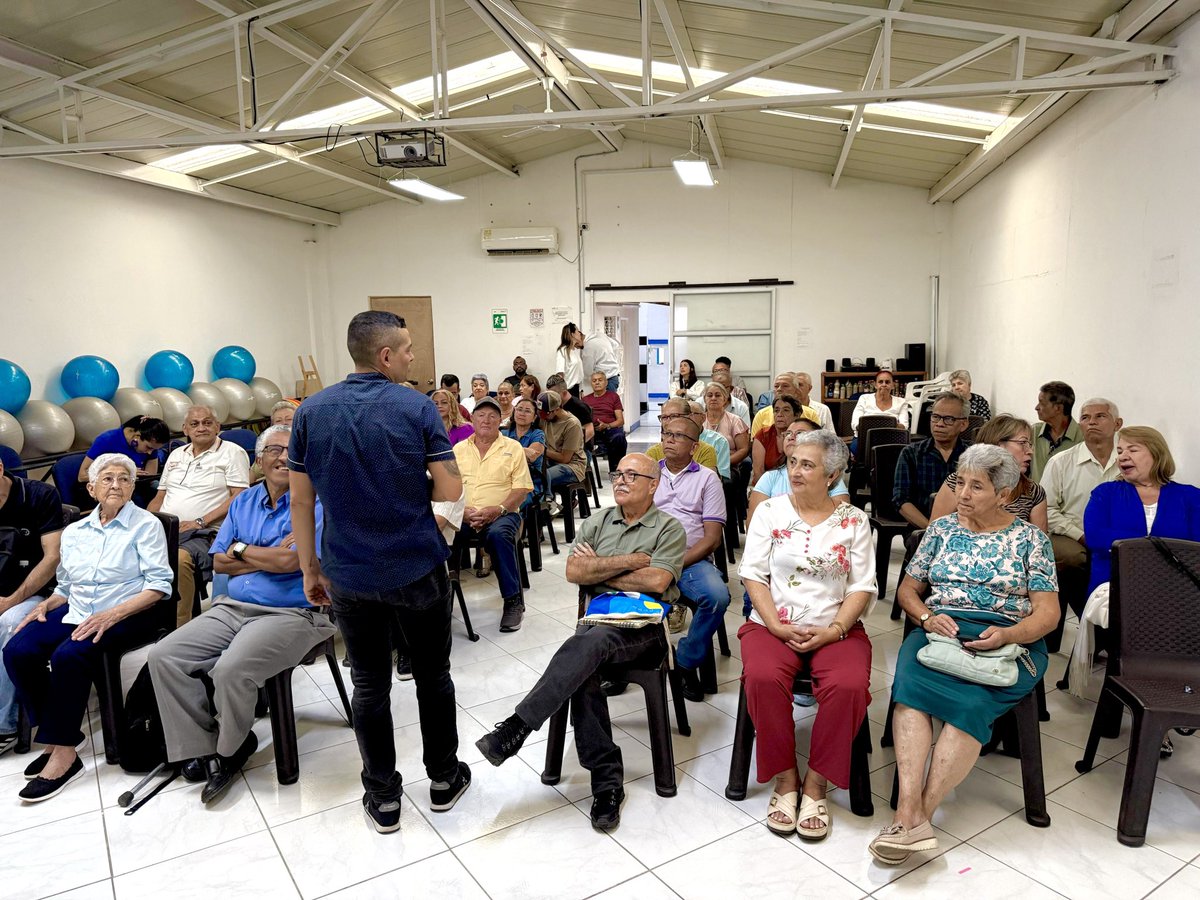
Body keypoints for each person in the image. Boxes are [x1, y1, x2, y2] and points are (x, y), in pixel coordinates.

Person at [288, 310, 471, 833]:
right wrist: (417, 499)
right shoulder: (415, 406)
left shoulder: (310, 412)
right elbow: (451, 488)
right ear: (386, 355)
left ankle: (384, 796)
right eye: (408, 349)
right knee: (433, 676)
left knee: (369, 685)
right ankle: (442, 779)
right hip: (415, 563)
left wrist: (310, 569)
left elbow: (301, 502)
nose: (413, 357)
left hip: (348, 570)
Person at [473, 453, 686, 831]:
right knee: (585, 660)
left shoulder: (669, 528)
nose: (619, 480)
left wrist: (601, 569)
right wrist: (634, 560)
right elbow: (574, 571)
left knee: (585, 647)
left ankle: (518, 727)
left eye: (631, 475)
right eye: (618, 473)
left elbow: (656, 583)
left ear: (654, 484)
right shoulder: (598, 520)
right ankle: (607, 785)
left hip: (645, 631)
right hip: (596, 625)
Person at [871, 444, 1059, 865]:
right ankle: (908, 813)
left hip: (1008, 639)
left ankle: (921, 813)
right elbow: (907, 590)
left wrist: (1008, 632)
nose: (963, 494)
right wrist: (924, 617)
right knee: (910, 690)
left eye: (977, 486)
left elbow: (1048, 614)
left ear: (1005, 495)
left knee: (971, 704)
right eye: (960, 483)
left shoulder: (1031, 540)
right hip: (941, 629)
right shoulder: (941, 530)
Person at [147, 425, 335, 804]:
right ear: (259, 460)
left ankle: (230, 749)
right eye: (274, 450)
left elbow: (291, 563)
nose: (282, 457)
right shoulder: (243, 502)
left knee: (231, 669)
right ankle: (201, 743)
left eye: (290, 451)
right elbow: (219, 561)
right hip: (233, 608)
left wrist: (242, 550)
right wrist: (258, 554)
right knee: (164, 656)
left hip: (293, 613)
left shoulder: (314, 503)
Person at [4, 454, 172, 802]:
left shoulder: (146, 525)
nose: (116, 484)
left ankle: (64, 754)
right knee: (18, 648)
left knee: (70, 655)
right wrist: (44, 605)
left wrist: (112, 615)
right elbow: (65, 587)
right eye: (107, 479)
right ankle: (57, 733)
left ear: (131, 486)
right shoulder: (76, 531)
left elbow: (158, 586)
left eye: (124, 478)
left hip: (130, 611)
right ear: (91, 488)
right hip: (78, 610)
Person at [739, 429, 875, 838]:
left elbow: (862, 586)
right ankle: (785, 779)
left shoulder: (854, 520)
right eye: (793, 462)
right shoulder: (770, 512)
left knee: (849, 684)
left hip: (836, 625)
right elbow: (752, 575)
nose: (795, 471)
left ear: (832, 475)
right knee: (762, 678)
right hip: (773, 623)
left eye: (807, 465)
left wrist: (834, 630)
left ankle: (817, 782)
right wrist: (777, 626)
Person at [149, 405, 250, 628]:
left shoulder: (232, 452)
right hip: (168, 528)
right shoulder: (177, 455)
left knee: (178, 558)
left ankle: (181, 627)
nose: (201, 428)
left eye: (207, 422)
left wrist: (200, 521)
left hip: (208, 531)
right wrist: (145, 522)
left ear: (217, 426)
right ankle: (147, 622)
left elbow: (239, 496)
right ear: (185, 429)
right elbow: (160, 496)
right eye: (194, 424)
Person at [653, 416, 730, 700]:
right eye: (666, 434)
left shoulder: (708, 478)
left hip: (691, 559)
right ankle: (626, 664)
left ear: (694, 446)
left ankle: (684, 661)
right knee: (616, 592)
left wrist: (674, 564)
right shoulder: (649, 474)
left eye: (677, 436)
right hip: (648, 558)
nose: (669, 440)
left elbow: (711, 538)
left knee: (717, 597)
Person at [1039, 398, 1121, 651]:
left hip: (1117, 535)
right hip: (1071, 535)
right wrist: (1081, 534)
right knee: (1077, 559)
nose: (1092, 422)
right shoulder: (1061, 462)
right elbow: (1047, 509)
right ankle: (1097, 632)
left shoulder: (1128, 459)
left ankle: (1117, 629)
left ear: (1118, 424)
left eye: (1100, 416)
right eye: (1085, 417)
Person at [1084, 426, 1200, 596]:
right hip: (1115, 583)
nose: (1123, 456)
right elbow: (1095, 536)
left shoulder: (1190, 496)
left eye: (1132, 450)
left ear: (1156, 453)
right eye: (1120, 451)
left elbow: (1195, 545)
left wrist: (1134, 544)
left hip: (1177, 585)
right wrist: (1158, 546)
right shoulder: (1105, 493)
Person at [0, 457, 63, 756]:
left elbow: (52, 558)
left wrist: (11, 600)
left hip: (36, 592)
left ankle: (5, 726)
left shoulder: (39, 495)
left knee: (10, 622)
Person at [454, 397, 533, 632]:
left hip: (503, 513)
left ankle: (512, 601)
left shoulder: (512, 447)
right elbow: (448, 486)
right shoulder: (459, 449)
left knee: (498, 536)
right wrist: (461, 512)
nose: (486, 420)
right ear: (472, 419)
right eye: (480, 415)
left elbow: (522, 488)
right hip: (465, 514)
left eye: (492, 416)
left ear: (500, 420)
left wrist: (497, 509)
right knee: (439, 534)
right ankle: (441, 598)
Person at [930, 414, 1048, 532]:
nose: (1030, 451)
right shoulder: (956, 482)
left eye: (1030, 444)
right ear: (997, 445)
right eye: (1023, 443)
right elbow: (934, 534)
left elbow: (1039, 543)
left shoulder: (1033, 491)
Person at [892, 393, 969, 530]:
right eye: (935, 417)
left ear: (963, 424)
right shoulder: (911, 453)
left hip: (965, 527)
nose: (939, 424)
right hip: (922, 527)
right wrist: (932, 529)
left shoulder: (972, 456)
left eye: (948, 419)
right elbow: (901, 501)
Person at [77, 415, 169, 482]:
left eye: (154, 450)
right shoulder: (106, 440)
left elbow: (149, 478)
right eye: (148, 447)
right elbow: (82, 476)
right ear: (137, 436)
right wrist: (126, 474)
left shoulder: (151, 446)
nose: (150, 453)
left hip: (137, 489)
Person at [645, 398, 719, 474]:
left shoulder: (705, 451)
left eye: (674, 416)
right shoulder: (653, 453)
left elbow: (707, 482)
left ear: (689, 417)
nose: (668, 421)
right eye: (664, 417)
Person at [538, 391, 587, 497]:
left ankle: (548, 505)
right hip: (549, 461)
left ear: (556, 409)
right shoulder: (545, 418)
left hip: (572, 466)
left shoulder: (572, 424)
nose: (543, 418)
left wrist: (542, 450)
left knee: (542, 477)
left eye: (546, 414)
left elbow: (565, 458)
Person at [502, 397, 547, 505]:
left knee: (511, 504)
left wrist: (505, 451)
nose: (522, 413)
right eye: (519, 409)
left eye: (527, 411)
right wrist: (523, 450)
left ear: (534, 417)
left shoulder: (537, 434)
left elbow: (531, 456)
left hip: (529, 483)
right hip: (504, 480)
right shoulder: (504, 433)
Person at [1032, 380, 1080, 480]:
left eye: (1042, 403)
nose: (1036, 408)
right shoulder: (1032, 432)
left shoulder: (1083, 438)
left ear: (1058, 408)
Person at [701, 382, 750, 475]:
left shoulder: (735, 420)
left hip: (728, 466)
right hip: (701, 465)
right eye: (710, 395)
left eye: (718, 395)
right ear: (704, 399)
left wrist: (722, 464)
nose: (713, 398)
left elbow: (743, 449)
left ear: (725, 399)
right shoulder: (699, 420)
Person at [752, 396, 802, 486]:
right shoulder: (763, 435)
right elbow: (758, 472)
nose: (779, 414)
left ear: (797, 415)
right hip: (766, 486)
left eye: (786, 410)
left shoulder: (803, 436)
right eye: (776, 410)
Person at [583, 370, 627, 473]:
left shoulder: (613, 397)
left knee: (619, 437)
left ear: (606, 383)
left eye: (600, 380)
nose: (597, 383)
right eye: (594, 381)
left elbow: (620, 421)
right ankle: (583, 472)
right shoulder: (585, 400)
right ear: (591, 383)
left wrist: (607, 425)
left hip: (609, 429)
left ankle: (616, 471)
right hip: (591, 431)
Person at [851, 370, 910, 435]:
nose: (884, 384)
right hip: (865, 436)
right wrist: (868, 426)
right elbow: (855, 424)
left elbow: (905, 426)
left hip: (892, 437)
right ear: (875, 385)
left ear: (893, 385)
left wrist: (886, 425)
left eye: (887, 382)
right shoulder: (864, 398)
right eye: (880, 382)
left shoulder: (901, 402)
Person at [547, 372, 594, 446]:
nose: (551, 397)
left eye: (554, 394)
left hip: (580, 448)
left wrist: (572, 447)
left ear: (564, 393)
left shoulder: (580, 407)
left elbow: (590, 431)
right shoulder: (554, 405)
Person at [689, 400, 731, 480]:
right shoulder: (672, 441)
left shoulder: (719, 441)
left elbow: (721, 477)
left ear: (703, 418)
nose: (685, 418)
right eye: (681, 415)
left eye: (690, 414)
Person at [581, 328, 621, 394]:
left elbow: (587, 372)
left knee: (605, 403)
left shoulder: (588, 347)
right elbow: (615, 344)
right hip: (614, 377)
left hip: (607, 380)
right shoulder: (600, 335)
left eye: (576, 346)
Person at [555, 323, 584, 397]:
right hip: (567, 390)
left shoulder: (574, 350)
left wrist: (581, 390)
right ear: (573, 334)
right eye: (577, 331)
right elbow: (560, 374)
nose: (579, 333)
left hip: (576, 389)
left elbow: (579, 373)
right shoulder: (562, 351)